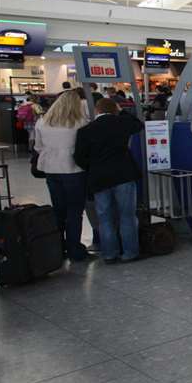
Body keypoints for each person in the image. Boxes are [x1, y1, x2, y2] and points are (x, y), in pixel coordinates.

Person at [73, 96, 143, 264]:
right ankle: (130, 252)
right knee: (127, 216)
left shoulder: (85, 130)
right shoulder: (122, 123)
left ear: (97, 111)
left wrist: (93, 166)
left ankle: (109, 254)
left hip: (99, 178)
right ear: (115, 109)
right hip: (124, 175)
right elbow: (138, 124)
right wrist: (122, 111)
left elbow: (79, 157)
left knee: (104, 218)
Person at [31, 87, 92, 262]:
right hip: (73, 171)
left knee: (58, 210)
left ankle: (57, 248)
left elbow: (37, 147)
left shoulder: (43, 122)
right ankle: (75, 250)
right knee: (74, 211)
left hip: (51, 170)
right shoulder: (80, 123)